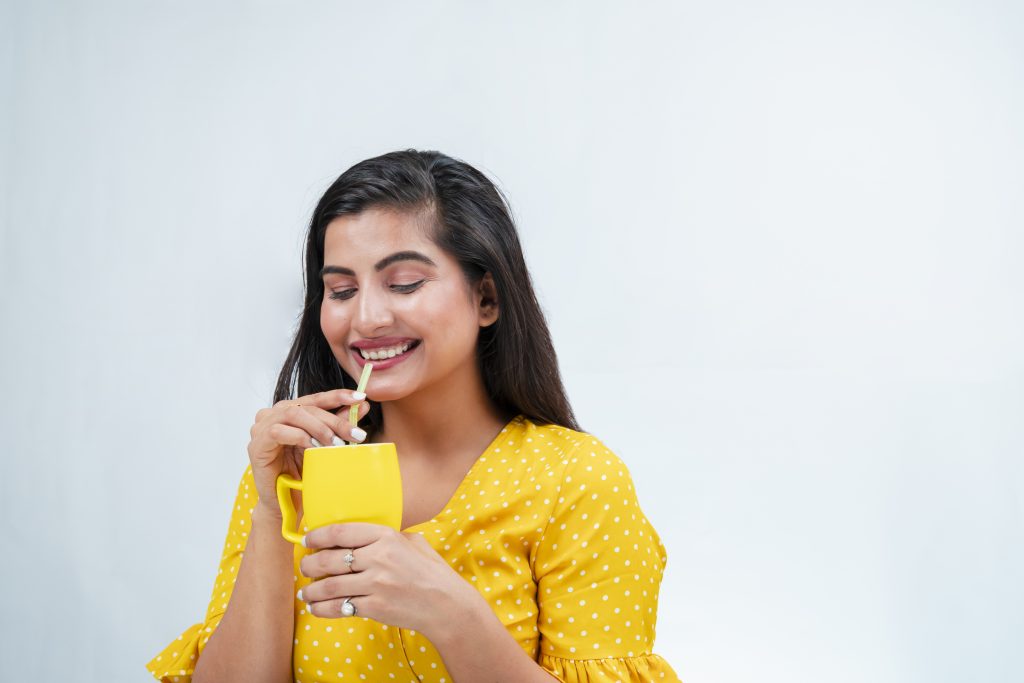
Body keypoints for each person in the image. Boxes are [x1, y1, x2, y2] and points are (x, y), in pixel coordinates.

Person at [146, 149, 681, 682]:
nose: (368, 318)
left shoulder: (577, 480)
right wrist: (269, 513)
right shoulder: (295, 472)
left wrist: (451, 615)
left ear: (487, 298)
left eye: (403, 283)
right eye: (341, 290)